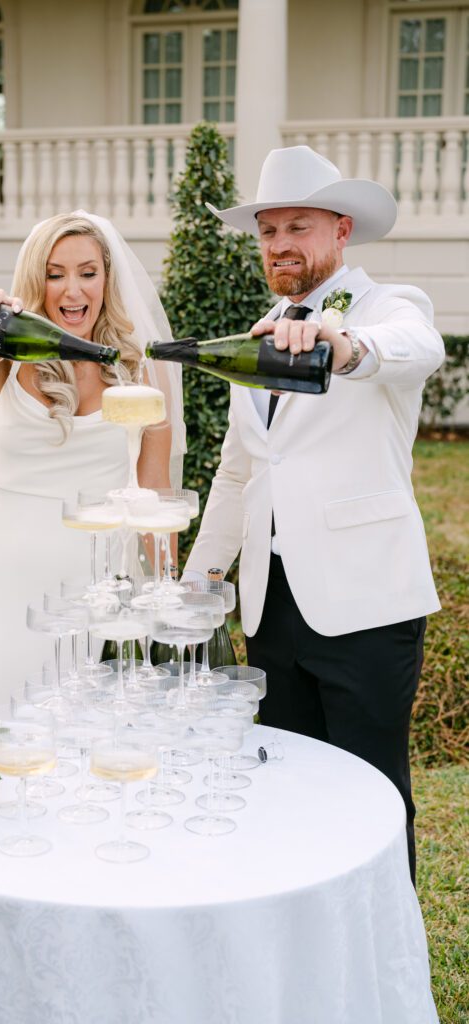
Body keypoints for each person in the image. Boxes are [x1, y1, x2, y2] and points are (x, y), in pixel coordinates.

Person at [184, 146, 444, 881]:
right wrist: (201, 578)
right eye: (267, 231)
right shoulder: (256, 333)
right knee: (290, 786)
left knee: (370, 789)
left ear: (340, 230)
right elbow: (240, 471)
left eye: (297, 226)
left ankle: (381, 961)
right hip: (272, 609)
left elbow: (413, 349)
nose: (279, 245)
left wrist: (342, 342)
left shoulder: (392, 309)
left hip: (364, 602)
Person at [0, 211, 185, 707]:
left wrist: (168, 595)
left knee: (91, 736)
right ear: (37, 280)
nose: (73, 291)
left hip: (99, 582)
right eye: (55, 273)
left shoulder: (141, 367)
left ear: (107, 278)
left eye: (88, 273)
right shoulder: (7, 348)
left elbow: (154, 490)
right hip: (5, 577)